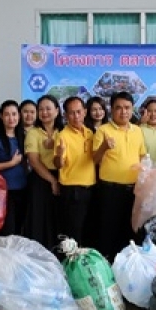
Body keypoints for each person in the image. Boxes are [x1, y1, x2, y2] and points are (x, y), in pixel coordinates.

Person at [93, 91, 147, 260]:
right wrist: (104, 147)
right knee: (108, 230)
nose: (123, 112)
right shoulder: (103, 130)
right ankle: (107, 265)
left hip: (133, 190)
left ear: (132, 109)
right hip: (110, 190)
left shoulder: (137, 130)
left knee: (130, 230)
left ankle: (127, 266)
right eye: (119, 108)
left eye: (127, 108)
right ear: (112, 110)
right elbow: (94, 159)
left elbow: (142, 156)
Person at [54, 97, 96, 245]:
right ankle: (71, 265)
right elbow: (58, 164)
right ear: (65, 116)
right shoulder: (62, 135)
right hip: (72, 191)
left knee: (89, 230)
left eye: (79, 112)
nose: (76, 116)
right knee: (73, 233)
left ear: (85, 112)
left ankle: (86, 265)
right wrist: (59, 154)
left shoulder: (90, 133)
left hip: (90, 188)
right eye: (71, 113)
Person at [0, 100, 28, 236]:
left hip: (23, 191)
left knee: (20, 231)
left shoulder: (23, 136)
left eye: (14, 114)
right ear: (1, 116)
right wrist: (11, 163)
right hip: (3, 194)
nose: (11, 118)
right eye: (7, 114)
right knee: (8, 232)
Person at [25, 94, 63, 248]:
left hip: (62, 177)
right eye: (41, 109)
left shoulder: (64, 131)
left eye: (48, 108)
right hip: (40, 179)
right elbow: (33, 161)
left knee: (57, 220)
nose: (44, 112)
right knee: (38, 221)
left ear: (57, 111)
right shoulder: (33, 133)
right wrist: (52, 181)